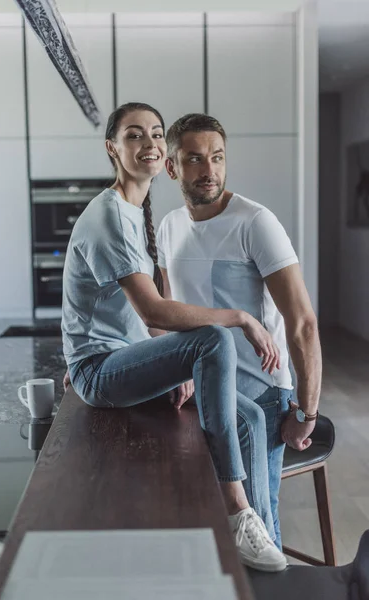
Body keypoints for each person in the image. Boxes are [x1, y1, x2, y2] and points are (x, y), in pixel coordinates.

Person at [61, 101, 288, 573]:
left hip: (126, 360)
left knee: (251, 420)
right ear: (112, 148)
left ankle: (263, 541)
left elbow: (134, 317)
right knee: (214, 339)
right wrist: (242, 318)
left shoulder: (135, 209)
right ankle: (237, 512)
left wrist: (170, 360)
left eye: (156, 133)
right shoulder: (108, 216)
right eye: (134, 135)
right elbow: (153, 308)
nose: (149, 143)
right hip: (101, 372)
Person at [156, 113, 322, 552]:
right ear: (172, 167)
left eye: (217, 157)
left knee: (258, 532)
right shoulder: (169, 226)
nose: (208, 170)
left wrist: (306, 413)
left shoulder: (255, 222)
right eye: (194, 159)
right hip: (199, 395)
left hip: (261, 399)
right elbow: (166, 314)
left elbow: (303, 323)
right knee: (207, 522)